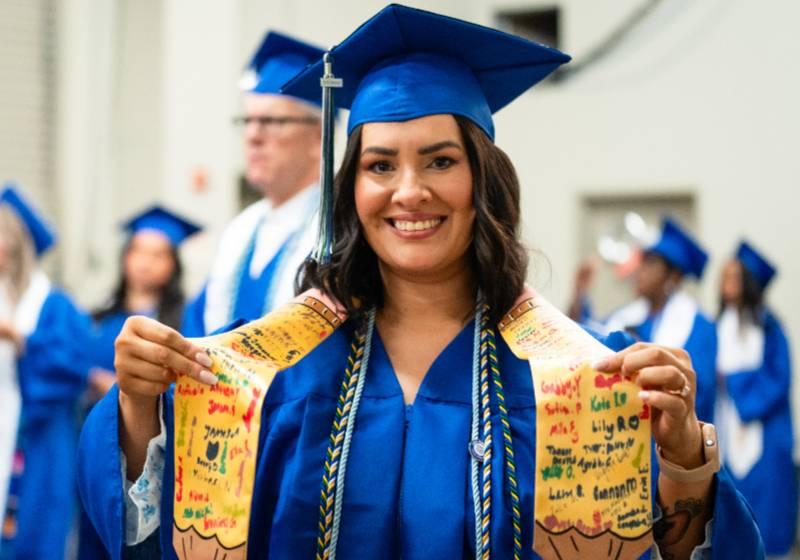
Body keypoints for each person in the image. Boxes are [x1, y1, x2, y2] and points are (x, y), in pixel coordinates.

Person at [78, 5, 763, 559]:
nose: (409, 192)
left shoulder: (584, 373)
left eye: (439, 160)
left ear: (482, 181)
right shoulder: (273, 370)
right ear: (351, 190)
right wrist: (140, 410)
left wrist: (686, 463)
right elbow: (159, 535)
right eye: (379, 165)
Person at [181, 31, 325, 337]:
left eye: (272, 121)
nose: (253, 136)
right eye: (247, 121)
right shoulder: (240, 231)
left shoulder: (339, 232)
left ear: (318, 136)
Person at [0, 183, 93, 559]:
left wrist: (20, 338)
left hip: (37, 443)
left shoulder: (53, 305)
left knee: (33, 535)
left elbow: (70, 369)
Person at [570, 217, 718, 423]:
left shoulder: (700, 327)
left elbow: (699, 394)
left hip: (670, 434)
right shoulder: (627, 315)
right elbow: (587, 338)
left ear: (673, 277)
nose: (639, 271)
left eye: (650, 264)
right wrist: (580, 292)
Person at [716, 241, 796, 558]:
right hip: (724, 426)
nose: (726, 283)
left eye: (734, 276)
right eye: (724, 277)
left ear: (749, 281)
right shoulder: (715, 326)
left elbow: (779, 379)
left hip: (764, 434)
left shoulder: (770, 328)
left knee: (767, 509)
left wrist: (732, 380)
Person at [88, 206, 201, 400]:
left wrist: (121, 390)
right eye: (138, 251)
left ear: (173, 265)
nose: (145, 264)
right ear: (125, 257)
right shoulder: (99, 319)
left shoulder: (187, 320)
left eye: (157, 255)